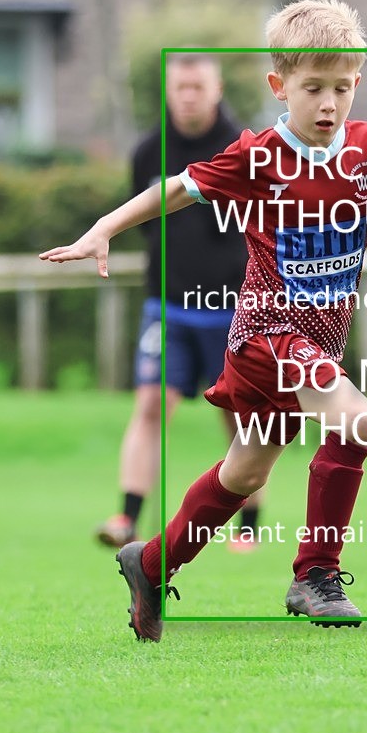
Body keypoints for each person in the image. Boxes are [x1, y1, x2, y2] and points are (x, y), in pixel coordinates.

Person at [41, 0, 367, 640]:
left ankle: (150, 564)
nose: (328, 103)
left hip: (315, 348)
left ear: (357, 82)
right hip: (267, 337)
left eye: (341, 88)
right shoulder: (259, 155)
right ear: (278, 85)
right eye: (312, 88)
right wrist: (104, 228)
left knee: (244, 472)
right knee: (359, 422)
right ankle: (316, 574)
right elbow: (177, 188)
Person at [95, 53, 265, 554]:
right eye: (180, 87)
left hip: (233, 308)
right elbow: (142, 218)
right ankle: (126, 517)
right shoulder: (149, 152)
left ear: (217, 89)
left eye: (198, 87)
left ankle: (249, 525)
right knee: (151, 405)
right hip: (167, 306)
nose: (188, 96)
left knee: (240, 417)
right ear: (168, 91)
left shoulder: (243, 149)